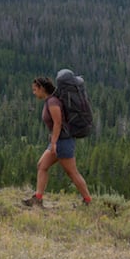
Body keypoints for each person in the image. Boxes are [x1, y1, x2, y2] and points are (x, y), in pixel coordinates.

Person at [21, 76, 92, 207]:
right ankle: (38, 198)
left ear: (42, 89)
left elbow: (58, 123)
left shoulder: (53, 102)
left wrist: (53, 143)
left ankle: (88, 200)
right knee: (42, 165)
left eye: (35, 90)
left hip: (63, 142)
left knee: (72, 172)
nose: (34, 92)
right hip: (58, 141)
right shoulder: (50, 100)